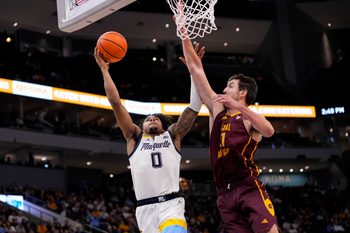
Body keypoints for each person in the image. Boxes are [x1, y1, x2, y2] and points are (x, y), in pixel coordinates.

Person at [179, 26, 280, 233]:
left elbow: (269, 131)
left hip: (247, 186)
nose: (224, 89)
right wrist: (182, 29)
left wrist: (239, 107)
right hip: (223, 194)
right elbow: (195, 68)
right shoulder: (218, 110)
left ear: (242, 92)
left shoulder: (248, 118)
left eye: (230, 85)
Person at [94, 47, 203, 233]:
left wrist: (195, 72)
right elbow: (115, 103)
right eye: (147, 119)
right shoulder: (134, 138)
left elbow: (194, 107)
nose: (151, 119)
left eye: (156, 118)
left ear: (163, 124)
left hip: (171, 205)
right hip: (145, 209)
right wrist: (104, 70)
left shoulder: (173, 135)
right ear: (141, 126)